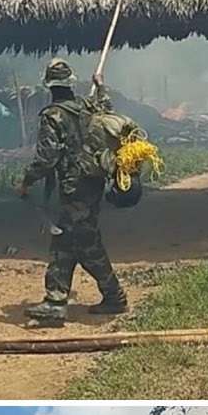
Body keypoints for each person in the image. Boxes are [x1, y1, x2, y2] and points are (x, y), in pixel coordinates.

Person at [18, 59, 128, 326]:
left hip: (74, 188)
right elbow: (108, 111)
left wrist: (26, 181)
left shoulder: (53, 115)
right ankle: (62, 301)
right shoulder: (87, 106)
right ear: (70, 83)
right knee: (72, 243)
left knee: (78, 243)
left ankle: (86, 299)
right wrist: (100, 87)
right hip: (93, 182)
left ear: (49, 85)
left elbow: (46, 158)